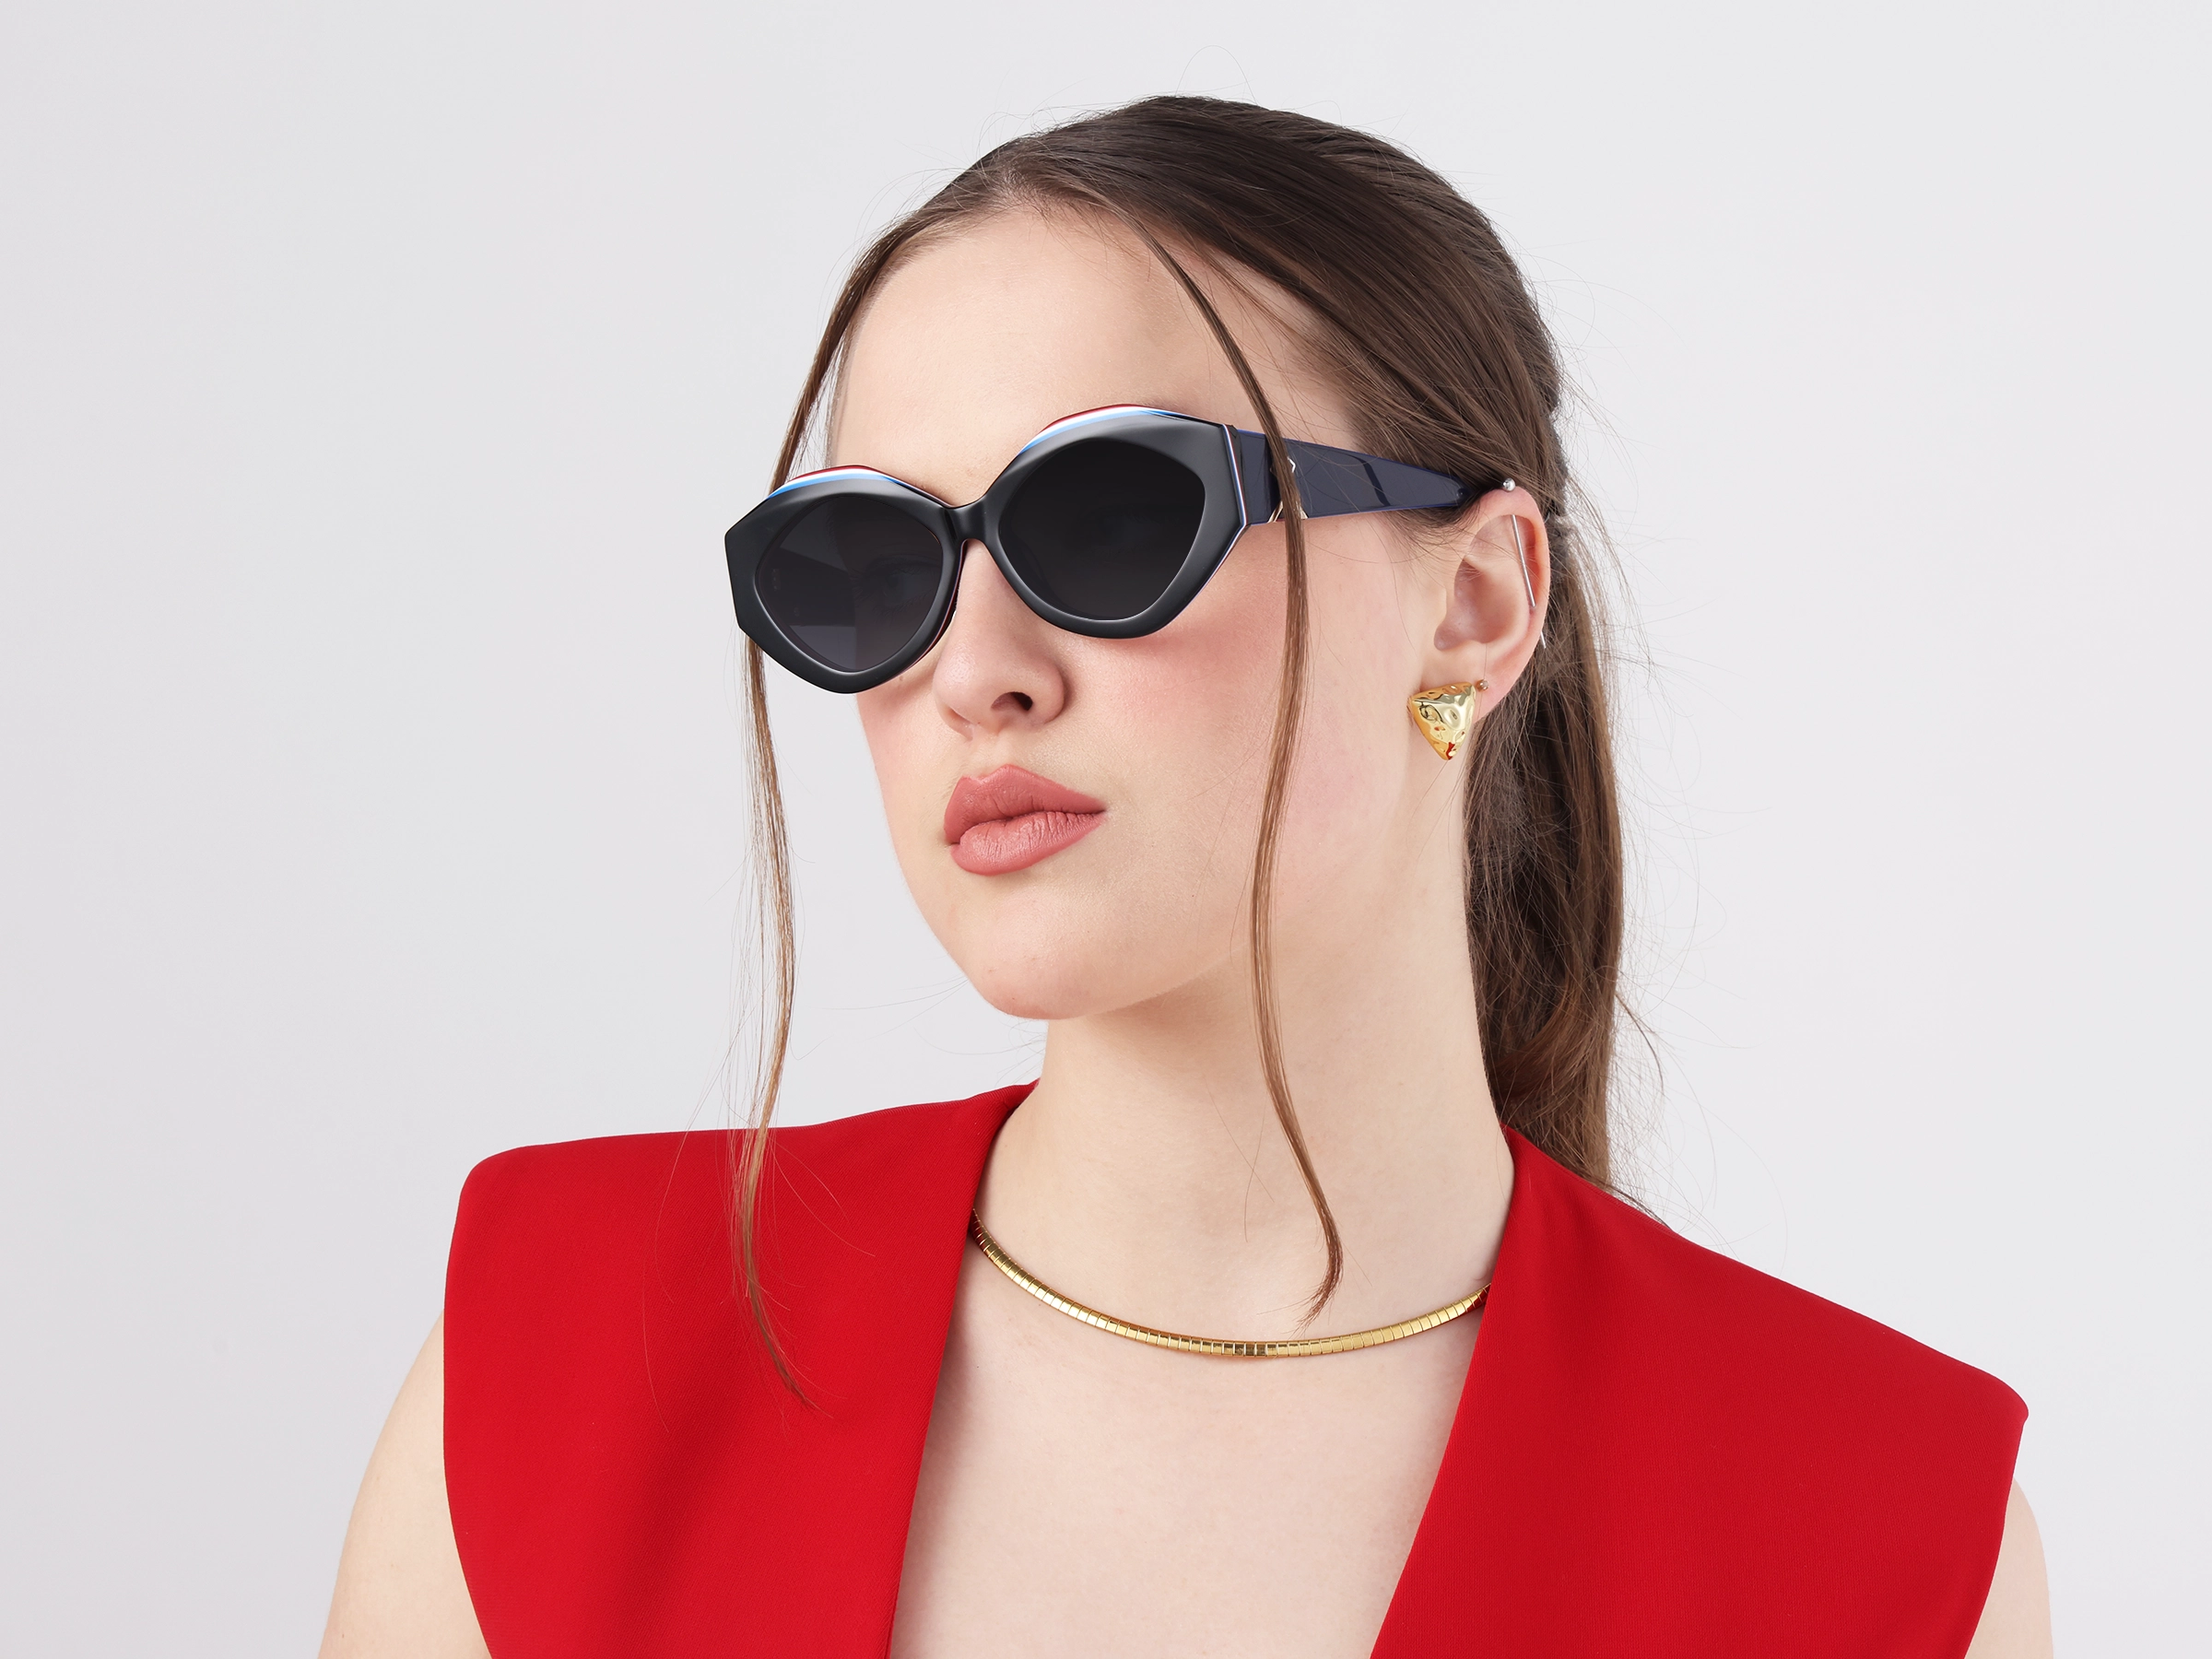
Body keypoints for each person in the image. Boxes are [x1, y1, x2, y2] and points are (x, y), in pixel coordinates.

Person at [319, 97, 2052, 1657]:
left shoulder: (1880, 1521)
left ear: (1475, 604)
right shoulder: (556, 1351)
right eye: (870, 558)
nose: (970, 669)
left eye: (1109, 519)